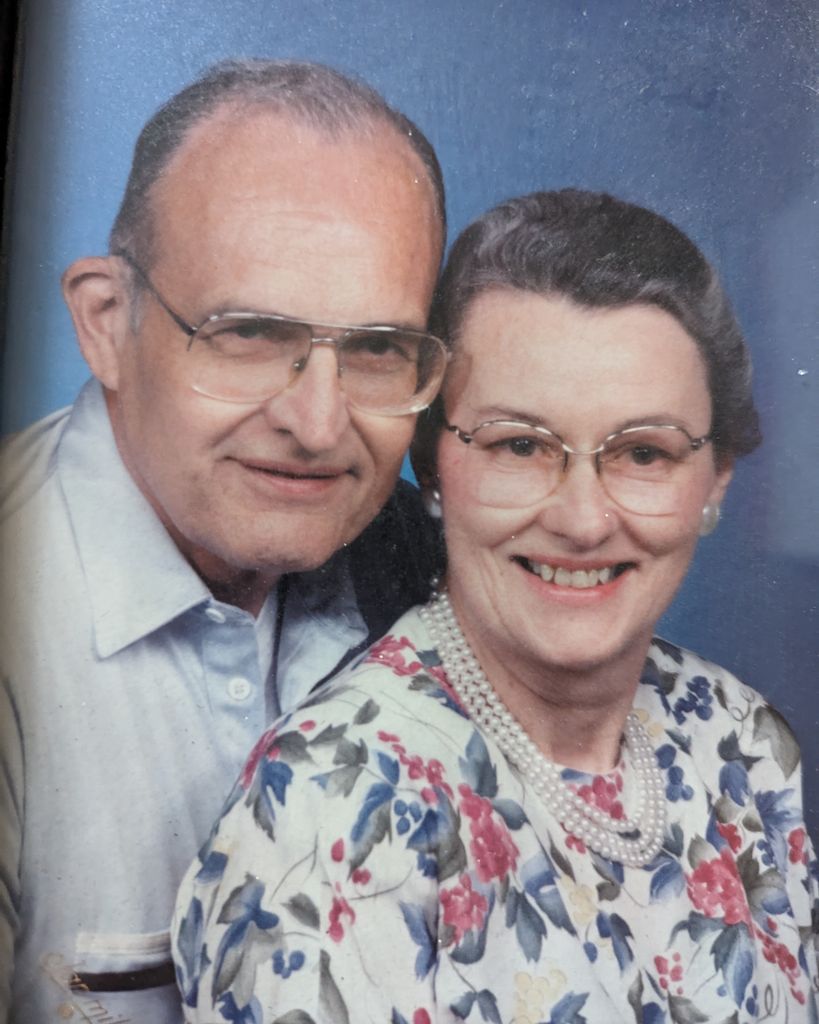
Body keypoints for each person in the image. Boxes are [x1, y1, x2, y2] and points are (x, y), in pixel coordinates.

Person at [173, 189, 819, 1023]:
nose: (582, 520)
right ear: (433, 466)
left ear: (715, 477)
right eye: (520, 445)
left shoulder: (738, 737)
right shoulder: (328, 811)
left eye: (642, 453)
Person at [0, 59, 448, 1023]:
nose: (317, 425)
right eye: (247, 334)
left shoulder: (438, 564)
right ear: (105, 322)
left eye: (376, 349)